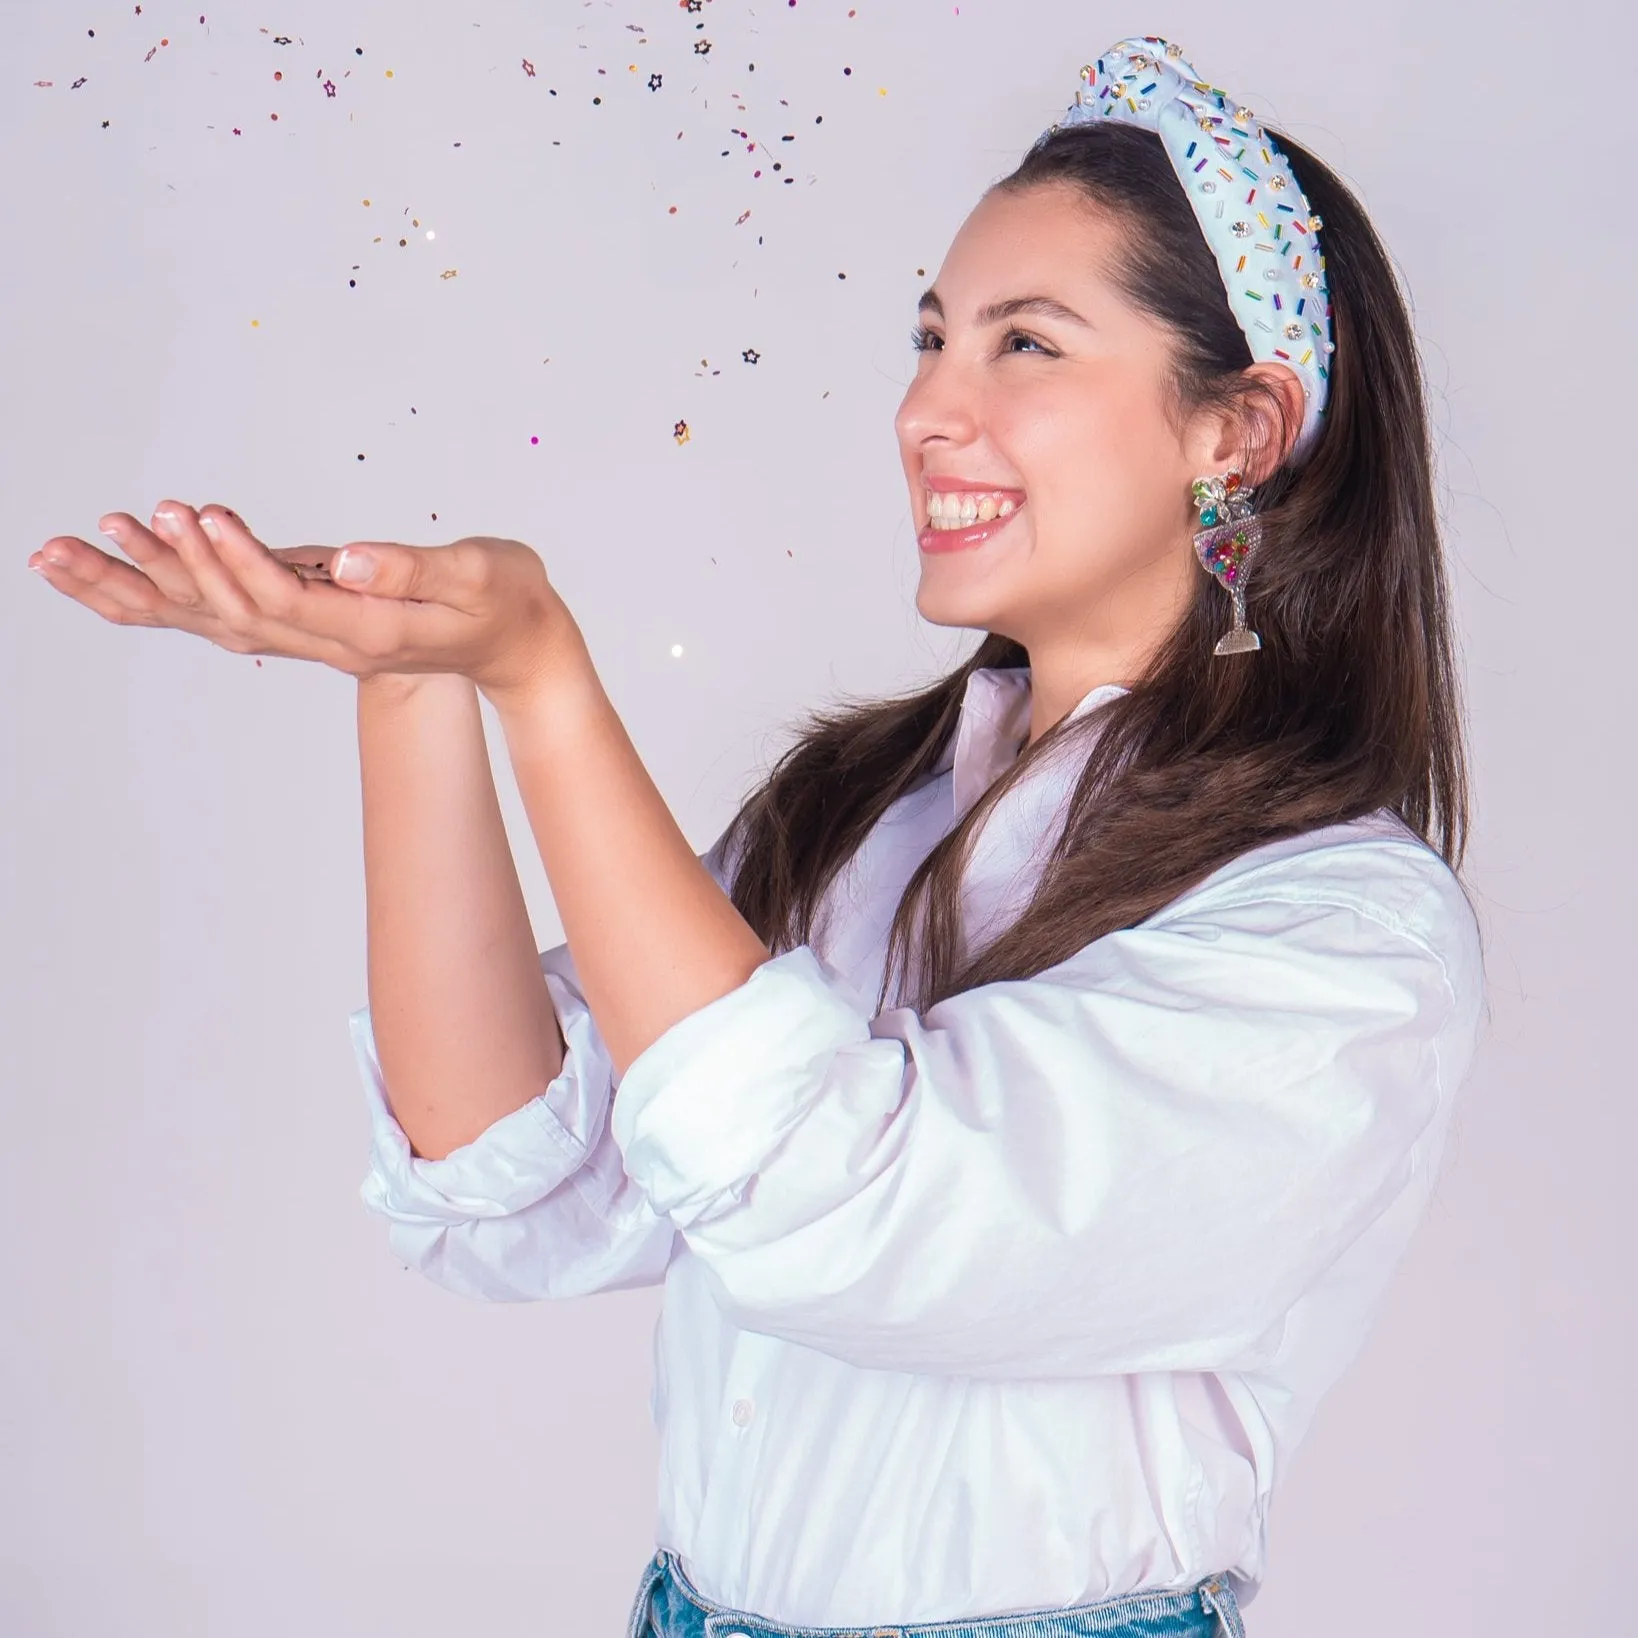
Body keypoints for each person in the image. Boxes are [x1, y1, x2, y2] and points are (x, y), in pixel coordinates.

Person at [26, 35, 1484, 1638]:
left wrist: (548, 678)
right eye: (929, 337)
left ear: (1238, 431)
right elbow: (516, 1178)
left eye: (1024, 344)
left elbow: (842, 1209)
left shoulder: (1340, 929)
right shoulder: (864, 811)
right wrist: (422, 682)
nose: (927, 406)